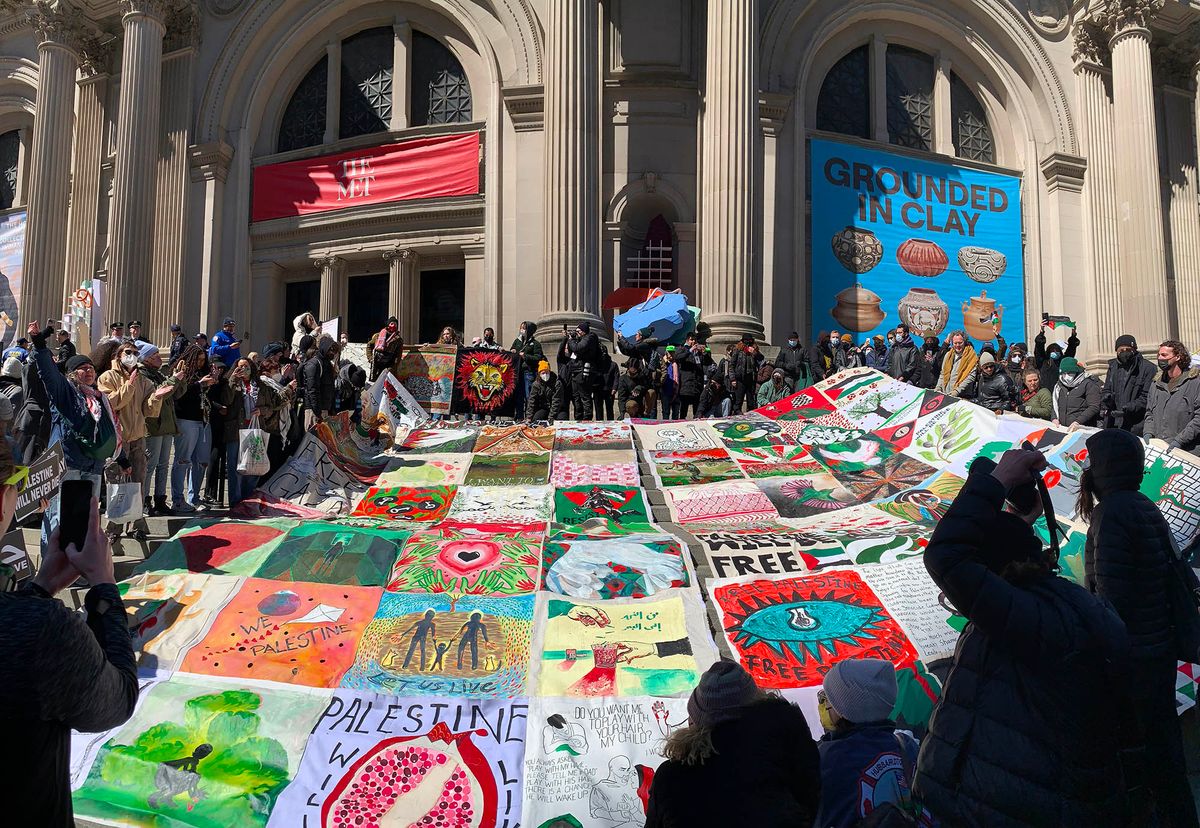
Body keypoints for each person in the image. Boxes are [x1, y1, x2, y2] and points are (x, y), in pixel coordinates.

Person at [914, 449, 1140, 827]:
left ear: (993, 573)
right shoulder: (1062, 609)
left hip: (995, 807)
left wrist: (998, 480)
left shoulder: (1022, 618)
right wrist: (1022, 520)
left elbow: (947, 555)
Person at [1079, 429, 1200, 828]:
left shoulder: (1111, 514)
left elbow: (1112, 598)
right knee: (1165, 748)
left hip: (1132, 657)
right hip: (1159, 648)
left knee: (1139, 751)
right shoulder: (1145, 506)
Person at [0, 480, 137, 828]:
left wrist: (40, 590)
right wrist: (105, 588)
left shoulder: (35, 621)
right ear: (3, 499)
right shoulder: (44, 629)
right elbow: (116, 700)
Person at [644, 660, 820, 828]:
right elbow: (811, 809)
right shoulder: (789, 757)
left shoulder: (672, 778)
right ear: (762, 705)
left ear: (695, 720)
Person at [29, 324, 121, 543]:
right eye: (83, 368)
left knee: (86, 521)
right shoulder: (65, 392)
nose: (89, 371)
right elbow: (48, 373)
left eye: (91, 368)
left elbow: (108, 432)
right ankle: (52, 570)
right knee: (59, 517)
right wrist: (40, 345)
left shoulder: (100, 399)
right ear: (72, 373)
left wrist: (122, 458)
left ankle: (77, 567)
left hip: (93, 466)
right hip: (68, 464)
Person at [816, 658, 922, 828]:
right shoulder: (907, 745)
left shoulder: (827, 759)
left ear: (843, 709)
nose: (823, 705)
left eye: (827, 698)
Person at [98, 340, 172, 542]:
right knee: (115, 484)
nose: (132, 356)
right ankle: (114, 528)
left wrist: (157, 397)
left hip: (138, 436)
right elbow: (111, 404)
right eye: (128, 352)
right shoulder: (107, 377)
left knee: (138, 482)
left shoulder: (143, 380)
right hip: (118, 440)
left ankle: (137, 524)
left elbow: (149, 410)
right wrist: (129, 386)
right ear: (118, 356)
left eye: (135, 353)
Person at [141, 344, 188, 517]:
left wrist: (180, 379)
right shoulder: (142, 374)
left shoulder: (158, 373)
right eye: (155, 354)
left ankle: (160, 499)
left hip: (166, 424)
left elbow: (175, 394)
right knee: (149, 466)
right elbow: (158, 393)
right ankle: (145, 499)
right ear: (146, 358)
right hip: (153, 425)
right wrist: (174, 379)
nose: (159, 357)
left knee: (163, 465)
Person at [170, 345, 217, 514]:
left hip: (203, 419)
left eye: (203, 360)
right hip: (186, 420)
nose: (200, 363)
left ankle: (194, 497)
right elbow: (178, 394)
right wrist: (199, 384)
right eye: (197, 359)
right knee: (183, 460)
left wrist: (212, 381)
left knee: (202, 461)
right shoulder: (181, 371)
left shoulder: (202, 373)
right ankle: (177, 499)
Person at [1144, 340, 1200, 456]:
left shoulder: (1194, 383)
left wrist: (1179, 441)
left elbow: (1198, 419)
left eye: (1164, 355)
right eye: (1159, 355)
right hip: (1161, 450)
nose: (1160, 358)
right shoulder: (1155, 384)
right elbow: (1149, 413)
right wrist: (1148, 433)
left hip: (1188, 452)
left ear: (1178, 357)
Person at [218, 357, 261, 507]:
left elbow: (270, 403)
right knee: (234, 467)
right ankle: (235, 502)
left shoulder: (259, 384)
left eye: (246, 366)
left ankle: (248, 499)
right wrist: (233, 380)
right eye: (240, 366)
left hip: (253, 429)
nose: (243, 369)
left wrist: (263, 410)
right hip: (235, 430)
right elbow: (226, 400)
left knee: (252, 467)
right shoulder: (232, 382)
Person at [1101, 335, 1156, 434]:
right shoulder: (1112, 367)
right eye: (1121, 350)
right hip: (1113, 422)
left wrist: (1127, 408)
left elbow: (1146, 397)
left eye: (1128, 349)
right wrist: (1106, 399)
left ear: (1134, 349)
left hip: (1136, 424)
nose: (1124, 352)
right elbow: (1106, 389)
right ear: (1116, 351)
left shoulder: (1148, 368)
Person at [565, 321, 601, 421]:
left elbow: (578, 348)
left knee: (585, 395)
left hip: (583, 371)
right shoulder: (582, 339)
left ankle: (587, 418)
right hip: (576, 370)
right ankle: (578, 417)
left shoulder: (590, 337)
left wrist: (571, 340)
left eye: (578, 331)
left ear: (584, 331)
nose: (577, 333)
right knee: (576, 396)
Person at [1053, 357, 1102, 428]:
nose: (1066, 376)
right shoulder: (1059, 386)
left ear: (1076, 371)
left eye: (1069, 373)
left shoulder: (1088, 384)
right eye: (1064, 373)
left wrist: (1078, 421)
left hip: (1082, 426)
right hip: (1062, 427)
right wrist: (1054, 418)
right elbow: (1054, 404)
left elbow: (1094, 406)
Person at [301, 335, 338, 429]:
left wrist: (332, 411)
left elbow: (331, 390)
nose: (332, 353)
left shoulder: (327, 364)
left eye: (334, 350)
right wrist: (317, 412)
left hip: (324, 411)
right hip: (314, 412)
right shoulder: (314, 364)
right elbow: (312, 389)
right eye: (330, 350)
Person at [1034, 324, 1080, 391]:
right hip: (1047, 393)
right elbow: (1039, 349)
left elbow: (1071, 350)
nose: (1055, 352)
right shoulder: (1043, 362)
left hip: (1062, 392)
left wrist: (1073, 335)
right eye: (1052, 350)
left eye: (1057, 350)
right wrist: (1041, 332)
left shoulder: (1063, 362)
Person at [511, 321, 544, 415]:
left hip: (528, 373)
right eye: (521, 328)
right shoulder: (517, 341)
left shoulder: (536, 344)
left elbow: (538, 357)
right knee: (518, 396)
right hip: (517, 372)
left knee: (528, 396)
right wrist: (512, 351)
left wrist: (525, 356)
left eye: (524, 328)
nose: (522, 330)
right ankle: (519, 416)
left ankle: (529, 416)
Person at [935, 331, 978, 399]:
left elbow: (970, 377)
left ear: (965, 342)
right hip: (946, 394)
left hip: (962, 396)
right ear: (952, 343)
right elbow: (943, 374)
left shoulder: (972, 356)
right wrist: (938, 388)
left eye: (960, 343)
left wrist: (956, 392)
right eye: (955, 343)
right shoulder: (948, 355)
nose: (957, 345)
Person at [727, 336, 764, 413]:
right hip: (740, 379)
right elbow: (731, 365)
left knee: (751, 402)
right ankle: (737, 415)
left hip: (750, 379)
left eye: (750, 341)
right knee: (738, 401)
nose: (748, 343)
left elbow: (761, 359)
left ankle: (750, 416)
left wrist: (754, 353)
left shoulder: (754, 349)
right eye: (746, 341)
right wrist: (733, 379)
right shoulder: (738, 350)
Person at [677, 339, 711, 419]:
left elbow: (708, 363)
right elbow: (678, 358)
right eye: (692, 340)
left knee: (696, 411)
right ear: (687, 340)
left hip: (697, 386)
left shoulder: (698, 354)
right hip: (686, 386)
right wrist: (690, 351)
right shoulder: (682, 349)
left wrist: (704, 352)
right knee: (683, 410)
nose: (694, 342)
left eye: (695, 340)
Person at [369, 316, 404, 382]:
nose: (393, 326)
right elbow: (369, 346)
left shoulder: (398, 340)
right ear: (388, 325)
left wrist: (392, 367)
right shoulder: (378, 336)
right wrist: (370, 358)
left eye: (395, 324)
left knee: (387, 384)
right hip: (376, 364)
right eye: (392, 323)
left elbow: (398, 355)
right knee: (375, 383)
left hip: (388, 365)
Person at [660, 346, 681, 420]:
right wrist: (664, 361)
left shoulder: (676, 364)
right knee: (666, 412)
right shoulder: (663, 363)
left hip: (675, 390)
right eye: (669, 352)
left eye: (673, 352)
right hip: (666, 390)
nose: (671, 354)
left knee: (676, 413)